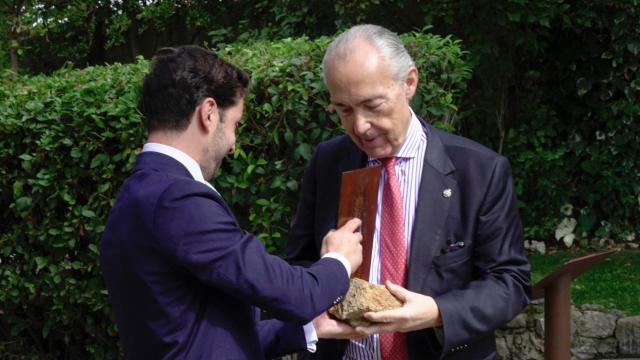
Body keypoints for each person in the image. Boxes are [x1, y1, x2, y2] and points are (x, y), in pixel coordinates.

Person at [99, 45, 365, 360]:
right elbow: (298, 295)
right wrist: (339, 260)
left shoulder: (139, 193)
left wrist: (310, 328)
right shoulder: (176, 198)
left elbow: (200, 338)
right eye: (235, 124)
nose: (232, 144)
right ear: (209, 113)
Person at [287, 25, 531, 359]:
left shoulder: (479, 170)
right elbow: (299, 262)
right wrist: (322, 278)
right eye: (344, 110)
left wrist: (436, 311)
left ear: (409, 83)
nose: (359, 126)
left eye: (372, 105)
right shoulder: (328, 162)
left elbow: (509, 282)